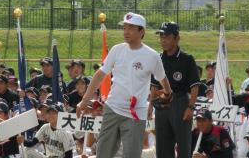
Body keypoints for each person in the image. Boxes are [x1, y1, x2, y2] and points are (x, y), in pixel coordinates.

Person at [76, 12, 173, 158]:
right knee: (103, 154)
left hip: (135, 113)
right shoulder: (117, 50)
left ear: (142, 31)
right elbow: (100, 75)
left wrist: (168, 92)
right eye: (125, 28)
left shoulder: (152, 55)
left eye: (131, 28)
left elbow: (162, 78)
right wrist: (84, 100)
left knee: (132, 155)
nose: (126, 31)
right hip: (112, 108)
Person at [150, 21, 200, 158]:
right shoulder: (158, 58)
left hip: (180, 103)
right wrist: (150, 107)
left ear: (177, 38)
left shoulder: (187, 59)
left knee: (183, 146)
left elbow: (194, 86)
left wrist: (190, 106)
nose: (163, 40)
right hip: (161, 104)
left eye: (166, 36)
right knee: (162, 145)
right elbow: (154, 84)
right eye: (161, 36)